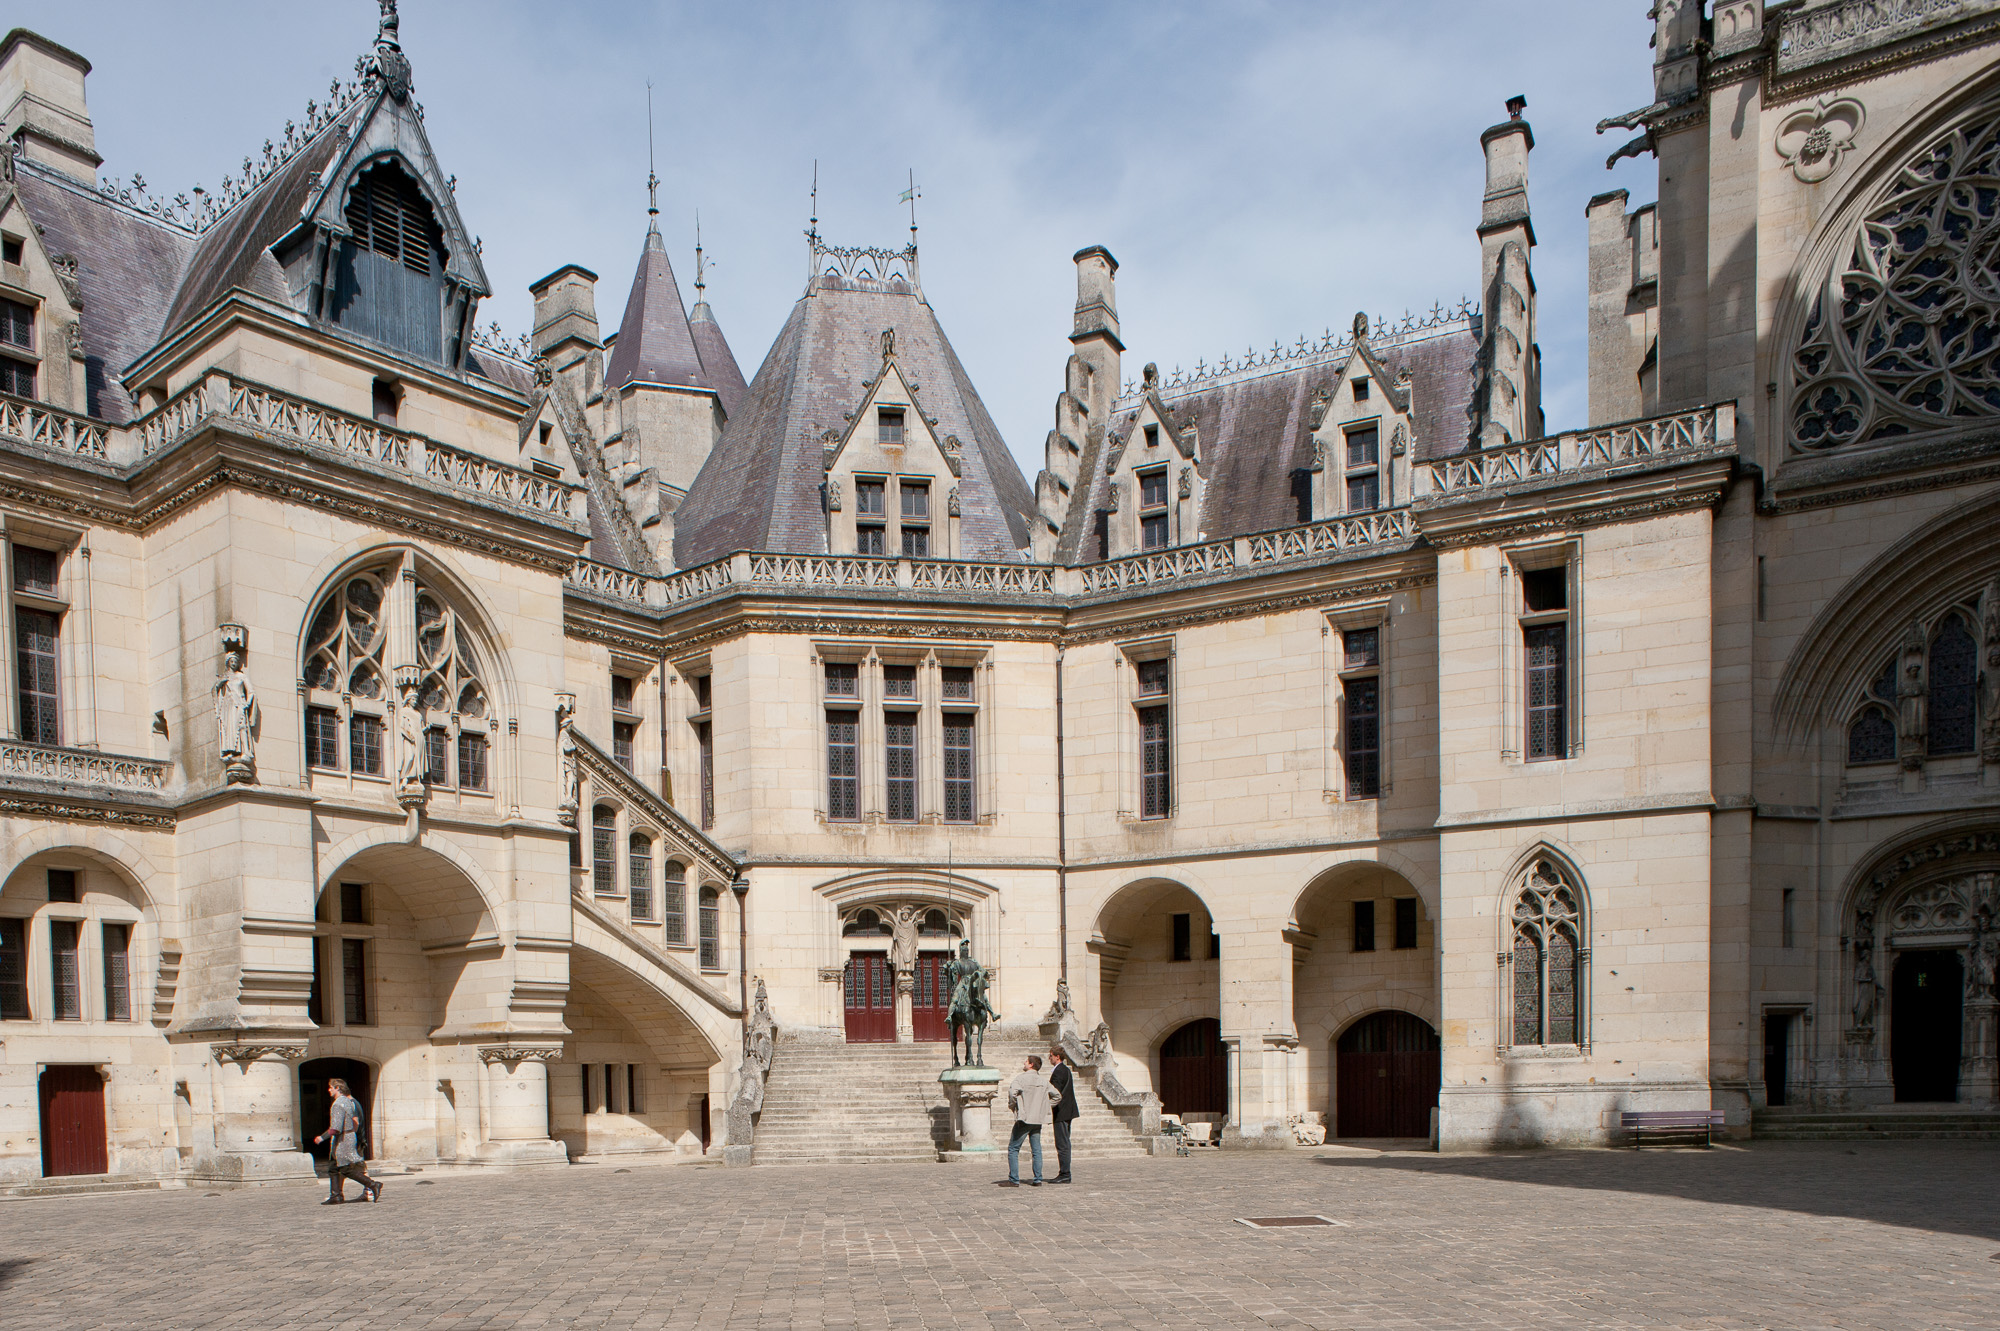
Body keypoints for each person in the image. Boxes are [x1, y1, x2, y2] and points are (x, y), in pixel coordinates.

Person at [315, 1078, 382, 1204]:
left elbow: (336, 1128)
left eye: (331, 1087)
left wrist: (322, 1137)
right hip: (347, 1138)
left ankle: (373, 1185)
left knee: (346, 1169)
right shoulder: (347, 1101)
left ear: (337, 1088)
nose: (329, 1090)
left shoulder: (339, 1104)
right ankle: (336, 1195)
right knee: (333, 1168)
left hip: (343, 1141)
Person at [1001, 1054, 1059, 1187]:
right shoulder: (1043, 1081)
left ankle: (1014, 1179)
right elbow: (1057, 1095)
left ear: (1031, 1064)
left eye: (1026, 1061)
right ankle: (1038, 1178)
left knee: (1013, 1148)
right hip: (1037, 1119)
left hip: (1025, 1118)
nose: (1024, 1063)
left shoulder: (1021, 1079)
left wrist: (1014, 1106)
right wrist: (1045, 1106)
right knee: (1036, 1149)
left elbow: (1012, 1093)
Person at [1047, 1046, 1080, 1184]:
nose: (1049, 1058)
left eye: (1051, 1055)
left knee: (1062, 1143)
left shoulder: (1059, 1071)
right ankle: (1064, 1172)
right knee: (1064, 1142)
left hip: (1062, 1111)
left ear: (1057, 1057)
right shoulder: (1064, 1070)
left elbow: (1055, 1092)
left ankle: (1065, 1173)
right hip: (1067, 1111)